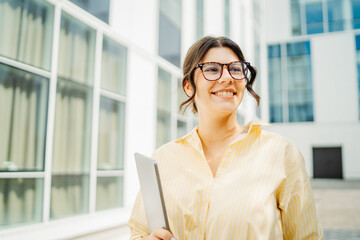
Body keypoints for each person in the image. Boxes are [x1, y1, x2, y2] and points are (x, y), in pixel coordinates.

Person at [129, 36, 323, 240]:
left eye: (236, 69)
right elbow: (139, 232)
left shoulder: (280, 152)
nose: (227, 77)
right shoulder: (164, 158)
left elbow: (308, 236)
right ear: (188, 86)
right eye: (212, 69)